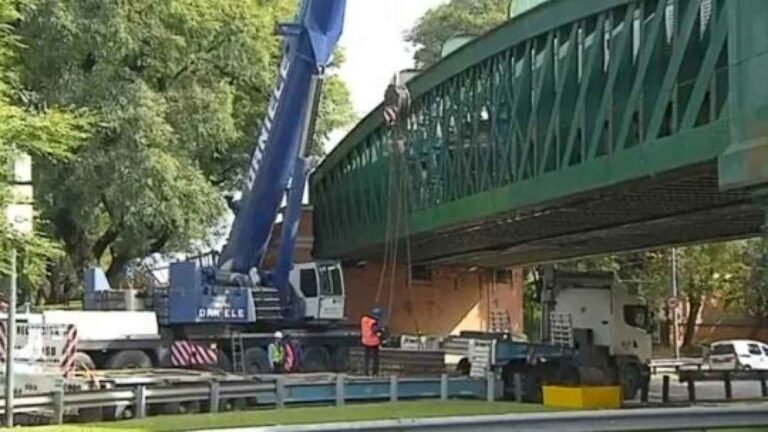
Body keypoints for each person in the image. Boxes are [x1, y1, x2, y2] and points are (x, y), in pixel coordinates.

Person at [360, 307, 382, 376]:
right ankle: (375, 372)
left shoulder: (364, 319)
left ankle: (365, 372)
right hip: (373, 342)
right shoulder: (374, 322)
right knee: (375, 358)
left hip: (365, 341)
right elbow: (375, 330)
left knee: (367, 358)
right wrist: (380, 330)